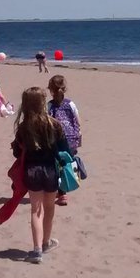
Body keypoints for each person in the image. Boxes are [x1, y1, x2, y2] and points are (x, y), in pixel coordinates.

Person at [12, 86, 69, 263]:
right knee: (49, 208)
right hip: (51, 170)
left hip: (32, 170)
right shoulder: (54, 124)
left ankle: (37, 250)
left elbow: (16, 152)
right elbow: (65, 150)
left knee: (36, 210)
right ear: (43, 103)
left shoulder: (23, 127)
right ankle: (45, 242)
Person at [47, 75, 82, 207]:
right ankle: (65, 188)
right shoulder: (70, 103)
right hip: (72, 138)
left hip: (57, 140)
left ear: (51, 90)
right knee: (67, 163)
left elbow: (47, 121)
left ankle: (62, 194)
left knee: (58, 165)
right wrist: (78, 134)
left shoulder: (50, 105)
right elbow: (77, 120)